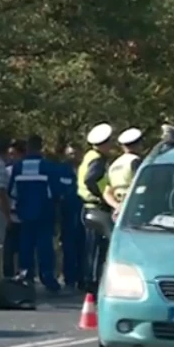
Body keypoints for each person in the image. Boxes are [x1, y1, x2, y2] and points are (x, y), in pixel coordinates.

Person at [7, 134, 61, 292]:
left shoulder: (18, 167)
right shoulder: (48, 166)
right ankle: (48, 278)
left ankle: (26, 276)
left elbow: (12, 191)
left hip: (25, 213)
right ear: (41, 147)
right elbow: (56, 191)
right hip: (45, 212)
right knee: (45, 246)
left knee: (26, 245)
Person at [77, 123, 116, 292]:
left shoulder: (89, 155)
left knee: (89, 247)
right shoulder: (98, 159)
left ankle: (86, 279)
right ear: (104, 143)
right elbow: (90, 180)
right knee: (97, 248)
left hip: (86, 206)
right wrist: (102, 196)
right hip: (96, 207)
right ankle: (91, 282)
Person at [55, 147, 85, 292]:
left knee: (83, 246)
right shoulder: (61, 170)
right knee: (68, 246)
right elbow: (58, 191)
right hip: (67, 213)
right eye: (70, 153)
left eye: (76, 153)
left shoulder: (84, 169)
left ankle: (82, 277)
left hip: (83, 211)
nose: (73, 156)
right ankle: (69, 278)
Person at [104, 127, 144, 216]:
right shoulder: (135, 161)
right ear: (139, 144)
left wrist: (117, 206)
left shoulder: (113, 165)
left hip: (119, 210)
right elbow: (142, 186)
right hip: (136, 208)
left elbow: (107, 193)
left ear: (123, 147)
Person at [3, 139, 27, 278]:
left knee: (23, 247)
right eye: (9, 154)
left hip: (22, 213)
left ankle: (22, 274)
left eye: (14, 154)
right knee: (9, 248)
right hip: (10, 212)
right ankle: (9, 274)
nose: (11, 158)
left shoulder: (24, 170)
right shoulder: (6, 171)